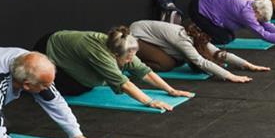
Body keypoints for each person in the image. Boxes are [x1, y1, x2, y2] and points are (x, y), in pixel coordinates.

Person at [35, 27, 195, 111]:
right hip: (46, 50)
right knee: (79, 88)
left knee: (91, 82)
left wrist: (171, 90)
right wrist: (150, 102)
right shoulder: (100, 54)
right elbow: (123, 84)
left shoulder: (122, 43)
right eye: (127, 57)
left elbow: (143, 70)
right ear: (115, 54)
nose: (131, 60)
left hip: (69, 47)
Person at [129, 19, 270, 82]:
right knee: (167, 64)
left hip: (150, 35)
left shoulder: (199, 39)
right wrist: (230, 76)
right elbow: (200, 62)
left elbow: (219, 53)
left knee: (177, 60)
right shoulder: (184, 40)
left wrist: (247, 65)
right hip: (135, 36)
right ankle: (130, 63)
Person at [186, 0, 275, 50]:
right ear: (257, 13)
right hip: (198, 9)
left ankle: (202, 27)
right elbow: (264, 35)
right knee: (224, 38)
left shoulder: (254, 5)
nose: (259, 21)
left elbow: (268, 25)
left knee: (230, 36)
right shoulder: (247, 13)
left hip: (206, 1)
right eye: (259, 19)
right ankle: (193, 33)